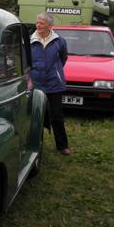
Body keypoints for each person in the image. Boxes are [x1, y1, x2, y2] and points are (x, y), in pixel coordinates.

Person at [29, 12, 71, 155]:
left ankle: (62, 146)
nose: (38, 25)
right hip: (36, 84)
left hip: (54, 84)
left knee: (57, 116)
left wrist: (56, 72)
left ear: (49, 25)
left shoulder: (59, 41)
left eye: (41, 23)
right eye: (37, 22)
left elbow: (63, 58)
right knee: (36, 116)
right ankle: (34, 145)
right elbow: (25, 62)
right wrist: (28, 79)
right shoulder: (30, 40)